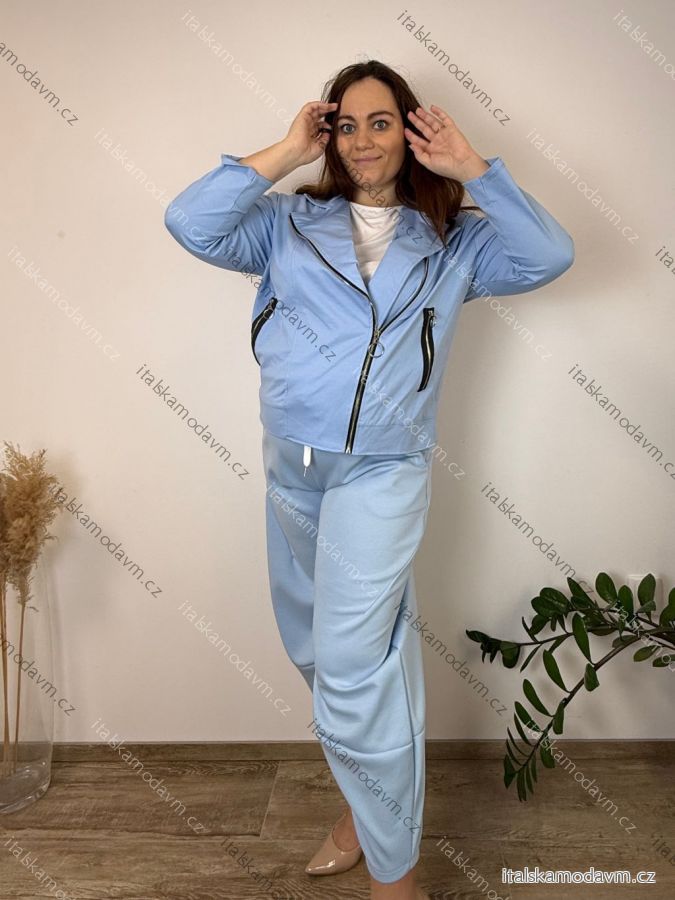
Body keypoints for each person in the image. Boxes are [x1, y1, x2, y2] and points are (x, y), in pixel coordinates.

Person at [164, 59, 574, 900]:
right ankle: (365, 805)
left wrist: (473, 168)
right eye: (345, 125)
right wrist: (285, 151)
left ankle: (396, 876)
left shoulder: (455, 240)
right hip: (292, 465)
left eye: (379, 122)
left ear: (409, 129)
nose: (361, 140)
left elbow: (550, 254)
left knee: (353, 667)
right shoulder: (284, 225)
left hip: (382, 471)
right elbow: (188, 221)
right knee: (323, 656)